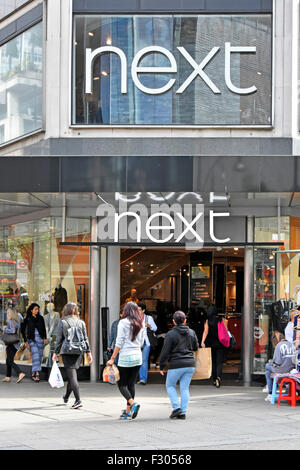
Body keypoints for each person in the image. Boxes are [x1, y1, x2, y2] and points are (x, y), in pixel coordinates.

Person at [106, 301, 145, 421]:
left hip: (125, 357)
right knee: (131, 384)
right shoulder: (141, 323)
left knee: (122, 384)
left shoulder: (122, 323)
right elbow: (142, 342)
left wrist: (112, 358)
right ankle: (128, 412)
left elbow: (119, 342)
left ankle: (133, 404)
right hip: (138, 357)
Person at [52, 302, 92, 409]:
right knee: (72, 375)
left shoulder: (63, 322)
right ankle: (66, 397)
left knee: (72, 376)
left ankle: (78, 400)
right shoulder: (81, 322)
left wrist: (55, 353)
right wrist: (89, 353)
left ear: (66, 310)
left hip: (67, 351)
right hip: (79, 351)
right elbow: (85, 338)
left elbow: (59, 339)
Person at [160, 311, 199, 420]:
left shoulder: (170, 334)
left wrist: (162, 366)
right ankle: (183, 412)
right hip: (190, 364)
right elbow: (196, 347)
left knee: (170, 385)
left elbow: (165, 352)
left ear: (173, 321)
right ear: (185, 320)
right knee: (185, 388)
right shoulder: (192, 332)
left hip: (176, 364)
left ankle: (176, 408)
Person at [264, 332, 296, 402]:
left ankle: (270, 392)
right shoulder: (291, 344)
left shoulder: (279, 346)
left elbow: (277, 363)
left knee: (267, 367)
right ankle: (272, 390)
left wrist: (270, 362)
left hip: (281, 370)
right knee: (268, 372)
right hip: (291, 369)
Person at [21, 303, 48, 382]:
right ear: (31, 310)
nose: (37, 311)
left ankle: (33, 373)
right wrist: (25, 341)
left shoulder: (41, 318)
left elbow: (44, 329)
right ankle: (37, 373)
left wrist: (45, 338)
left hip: (40, 340)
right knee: (35, 354)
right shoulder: (27, 319)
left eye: (38, 309)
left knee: (39, 357)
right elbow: (22, 330)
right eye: (35, 309)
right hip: (32, 340)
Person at [205, 305, 227, 388]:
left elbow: (205, 332)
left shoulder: (208, 321)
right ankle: (219, 377)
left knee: (213, 362)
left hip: (210, 343)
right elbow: (226, 330)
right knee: (219, 362)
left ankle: (214, 380)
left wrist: (203, 342)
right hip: (220, 343)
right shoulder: (221, 320)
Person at [2, 308, 25, 384]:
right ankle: (8, 377)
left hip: (12, 343)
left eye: (8, 313)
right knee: (8, 360)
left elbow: (12, 331)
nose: (7, 315)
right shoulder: (15, 321)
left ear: (11, 314)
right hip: (14, 343)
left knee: (10, 360)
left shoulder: (11, 321)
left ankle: (20, 373)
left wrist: (5, 329)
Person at [137, 302, 157, 385]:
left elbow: (155, 328)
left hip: (146, 342)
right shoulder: (133, 318)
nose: (137, 311)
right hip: (135, 343)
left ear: (143, 310)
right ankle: (135, 377)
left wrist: (149, 326)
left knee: (144, 360)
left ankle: (143, 379)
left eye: (139, 310)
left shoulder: (148, 318)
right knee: (137, 361)